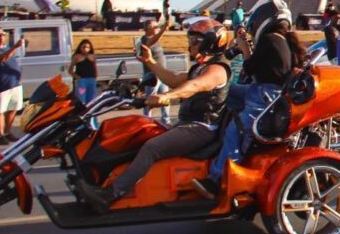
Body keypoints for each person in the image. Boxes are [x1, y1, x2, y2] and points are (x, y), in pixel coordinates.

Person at [77, 19, 232, 213]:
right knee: (139, 131)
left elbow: (194, 86)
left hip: (201, 128)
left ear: (211, 42)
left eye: (195, 40)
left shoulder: (217, 70)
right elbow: (174, 80)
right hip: (186, 124)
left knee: (152, 147)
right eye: (190, 39)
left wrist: (167, 96)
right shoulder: (200, 67)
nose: (190, 44)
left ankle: (111, 195)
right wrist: (150, 62)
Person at [195, 0, 296, 198]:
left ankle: (216, 179)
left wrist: (244, 48)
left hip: (266, 96)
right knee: (227, 91)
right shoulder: (279, 39)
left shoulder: (269, 39)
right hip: (261, 91)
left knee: (236, 129)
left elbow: (249, 68)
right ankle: (217, 126)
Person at [0, 27, 25, 145]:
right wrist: (16, 47)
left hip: (14, 83)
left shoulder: (6, 47)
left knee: (13, 108)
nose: (1, 37)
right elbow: (2, 58)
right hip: (1, 84)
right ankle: (0, 135)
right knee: (0, 110)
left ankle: (8, 131)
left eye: (2, 34)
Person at [140, 18, 172, 123]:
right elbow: (153, 40)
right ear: (149, 29)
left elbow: (156, 39)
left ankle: (166, 120)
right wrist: (163, 29)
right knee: (150, 100)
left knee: (165, 98)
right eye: (156, 27)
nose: (157, 29)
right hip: (152, 76)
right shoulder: (144, 40)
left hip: (161, 74)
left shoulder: (155, 39)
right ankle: (147, 120)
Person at [68, 39, 99, 128]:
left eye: (88, 47)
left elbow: (95, 67)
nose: (86, 49)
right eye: (84, 47)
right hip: (82, 81)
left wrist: (96, 76)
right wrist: (77, 77)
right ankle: (80, 125)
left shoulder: (92, 56)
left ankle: (92, 123)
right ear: (80, 47)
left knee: (92, 102)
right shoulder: (77, 57)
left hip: (91, 80)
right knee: (82, 102)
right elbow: (70, 70)